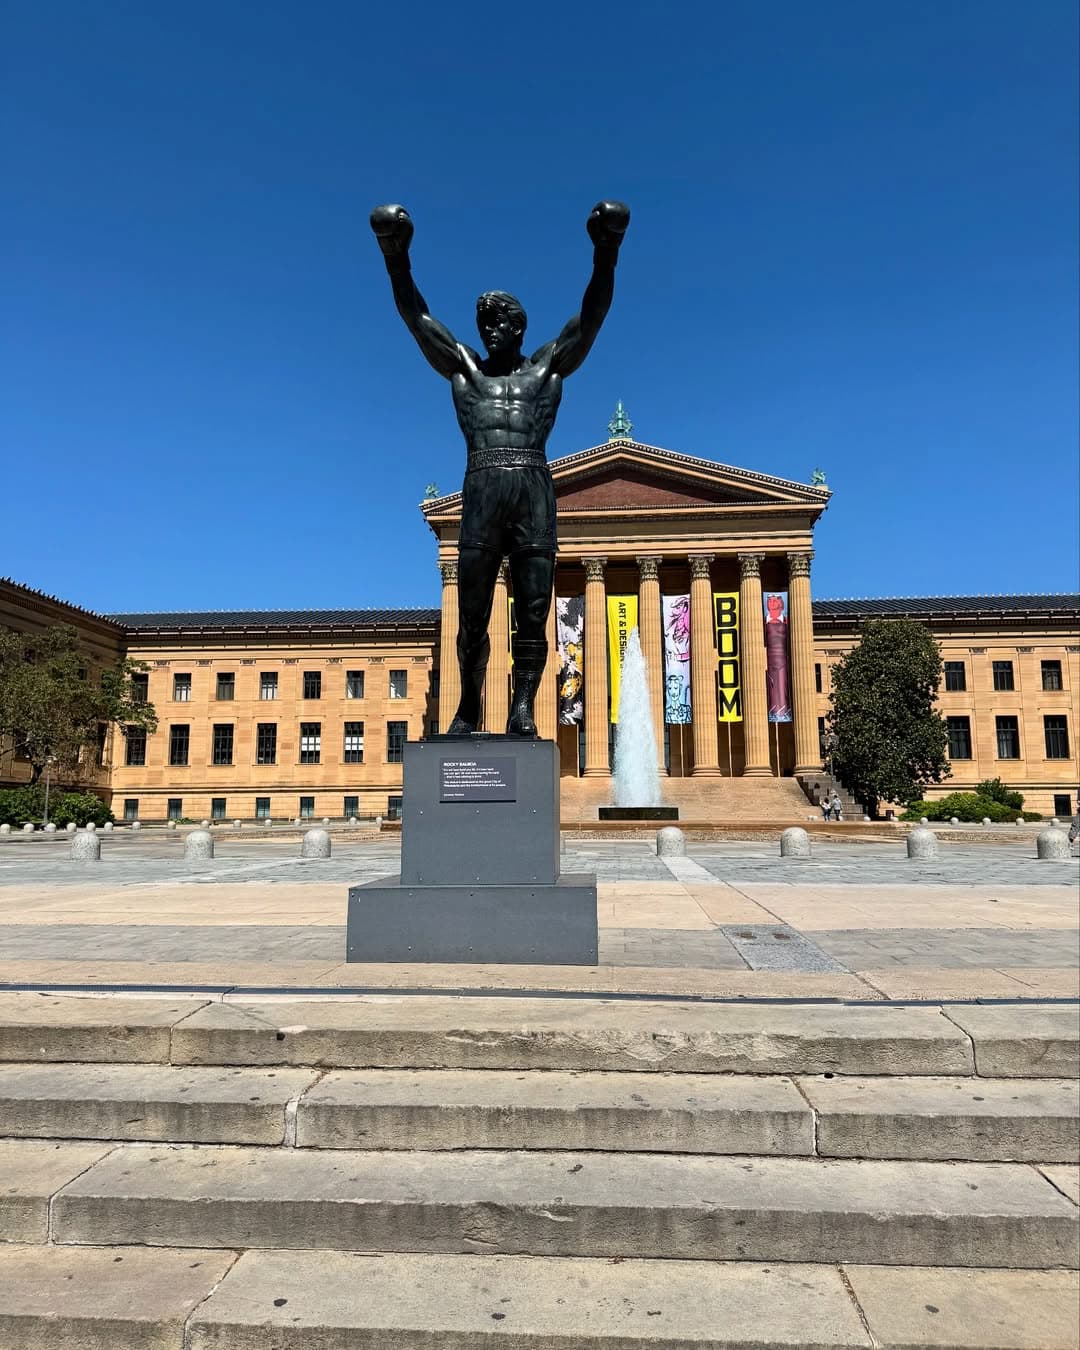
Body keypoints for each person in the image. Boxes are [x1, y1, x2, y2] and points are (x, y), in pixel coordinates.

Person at [371, 200, 630, 736]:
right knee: (471, 614)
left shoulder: (547, 370)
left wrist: (607, 249)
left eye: (501, 322)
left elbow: (594, 315)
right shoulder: (466, 373)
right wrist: (396, 254)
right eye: (485, 323)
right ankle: (468, 704)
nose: (490, 330)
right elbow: (416, 318)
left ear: (520, 327)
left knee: (533, 613)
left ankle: (522, 708)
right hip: (483, 485)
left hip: (533, 486)